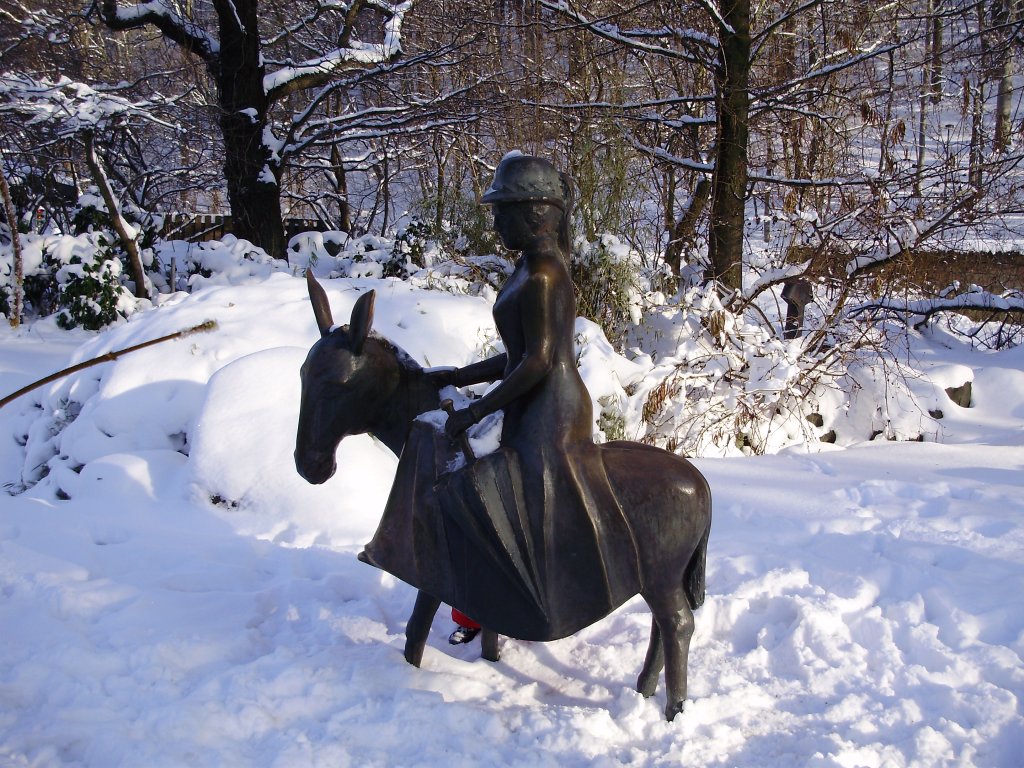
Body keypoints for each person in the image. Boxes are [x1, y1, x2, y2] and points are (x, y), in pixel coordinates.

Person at [424, 153, 640, 643]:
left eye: (502, 210)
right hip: (532, 401)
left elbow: (539, 361)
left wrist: (478, 409)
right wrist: (460, 374)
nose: (495, 221)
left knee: (513, 504)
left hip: (551, 410)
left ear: (536, 213)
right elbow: (516, 355)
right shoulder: (528, 267)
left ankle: (534, 595)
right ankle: (485, 604)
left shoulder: (544, 274)